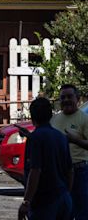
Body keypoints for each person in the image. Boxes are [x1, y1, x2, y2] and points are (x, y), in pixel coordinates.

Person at [18, 97, 73, 220]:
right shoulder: (61, 137)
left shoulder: (35, 139)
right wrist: (66, 193)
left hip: (45, 201)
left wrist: (26, 202)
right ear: (50, 115)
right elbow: (70, 170)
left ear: (32, 117)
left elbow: (35, 171)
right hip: (63, 199)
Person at [51, 84, 88, 220]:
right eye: (63, 97)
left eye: (69, 96)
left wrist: (75, 140)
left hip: (80, 171)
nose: (66, 100)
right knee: (62, 211)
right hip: (59, 173)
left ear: (77, 98)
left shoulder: (84, 119)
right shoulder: (54, 119)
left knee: (81, 212)